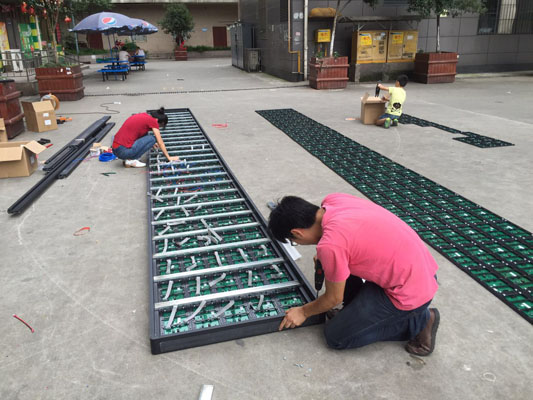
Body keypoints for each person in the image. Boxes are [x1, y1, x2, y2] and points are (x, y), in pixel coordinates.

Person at [268, 193, 440, 356]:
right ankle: (355, 312)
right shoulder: (334, 201)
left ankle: (420, 322)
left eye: (294, 241)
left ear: (297, 232)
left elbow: (333, 299)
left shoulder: (331, 245)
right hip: (419, 268)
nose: (297, 243)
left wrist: (304, 312)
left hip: (409, 292)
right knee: (336, 265)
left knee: (336, 336)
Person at [112, 107, 179, 168]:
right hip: (122, 151)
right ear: (158, 121)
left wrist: (152, 144)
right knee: (152, 139)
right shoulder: (153, 121)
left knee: (150, 139)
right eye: (160, 126)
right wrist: (169, 157)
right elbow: (160, 142)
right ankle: (131, 160)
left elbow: (140, 133)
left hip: (116, 149)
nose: (158, 128)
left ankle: (129, 159)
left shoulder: (144, 116)